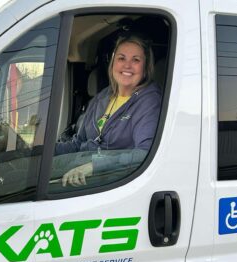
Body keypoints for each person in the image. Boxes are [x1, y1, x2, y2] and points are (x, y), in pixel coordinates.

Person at [55, 34, 162, 187]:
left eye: (136, 60)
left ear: (145, 69)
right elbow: (78, 143)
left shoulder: (149, 101)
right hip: (77, 166)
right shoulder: (103, 97)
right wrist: (41, 151)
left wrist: (94, 166)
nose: (127, 65)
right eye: (121, 58)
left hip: (108, 181)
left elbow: (144, 153)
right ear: (113, 64)